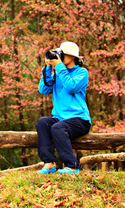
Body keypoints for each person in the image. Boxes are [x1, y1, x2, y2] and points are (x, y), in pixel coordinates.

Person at [36, 41, 91, 174]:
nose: (59, 57)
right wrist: (48, 68)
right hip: (60, 118)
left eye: (62, 54)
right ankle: (49, 163)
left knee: (58, 128)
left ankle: (72, 166)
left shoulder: (82, 72)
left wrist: (59, 67)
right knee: (43, 122)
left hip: (79, 119)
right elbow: (43, 89)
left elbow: (71, 87)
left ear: (72, 56)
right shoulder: (58, 74)